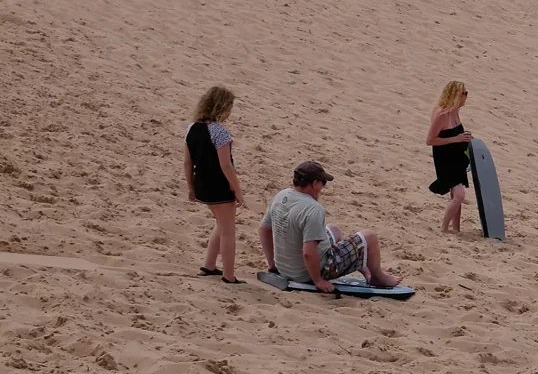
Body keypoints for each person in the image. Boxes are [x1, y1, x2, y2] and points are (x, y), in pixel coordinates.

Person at [260, 161, 400, 291]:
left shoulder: (281, 195)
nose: (323, 187)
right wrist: (318, 281)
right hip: (307, 274)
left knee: (334, 230)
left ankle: (363, 266)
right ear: (315, 184)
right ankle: (377, 277)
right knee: (370, 237)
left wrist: (272, 263)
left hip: (285, 269)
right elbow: (308, 252)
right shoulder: (313, 208)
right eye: (323, 183)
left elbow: (264, 229)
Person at [183, 85, 245, 282]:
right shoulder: (220, 132)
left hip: (201, 185)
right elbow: (226, 165)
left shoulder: (192, 128)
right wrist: (237, 189)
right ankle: (229, 276)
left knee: (221, 224)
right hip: (219, 186)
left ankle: (209, 266)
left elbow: (187, 161)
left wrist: (190, 187)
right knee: (228, 230)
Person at [426, 81, 473, 235]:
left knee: (456, 195)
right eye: (464, 93)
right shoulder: (441, 114)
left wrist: (465, 138)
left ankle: (456, 229)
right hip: (445, 160)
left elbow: (456, 134)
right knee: (459, 195)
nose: (466, 96)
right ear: (456, 95)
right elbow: (430, 140)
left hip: (457, 158)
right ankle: (444, 228)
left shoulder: (455, 111)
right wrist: (457, 139)